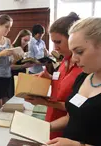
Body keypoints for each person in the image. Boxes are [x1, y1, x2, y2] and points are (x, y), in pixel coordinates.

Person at [25, 12, 82, 139]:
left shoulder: (83, 68)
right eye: (53, 42)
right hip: (52, 118)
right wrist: (49, 78)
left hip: (66, 126)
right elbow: (63, 83)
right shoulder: (64, 60)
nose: (55, 47)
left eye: (58, 42)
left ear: (72, 39)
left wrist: (44, 102)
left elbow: (75, 106)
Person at [47, 17, 101, 146]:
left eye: (80, 52)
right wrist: (46, 126)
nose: (75, 59)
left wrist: (76, 145)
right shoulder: (83, 77)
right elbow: (74, 117)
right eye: (72, 52)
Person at [8, 29, 32, 98]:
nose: (26, 43)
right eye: (25, 40)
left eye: (28, 41)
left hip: (22, 75)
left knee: (21, 97)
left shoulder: (24, 48)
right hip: (14, 76)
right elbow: (10, 66)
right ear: (19, 38)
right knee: (14, 98)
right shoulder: (13, 48)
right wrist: (23, 66)